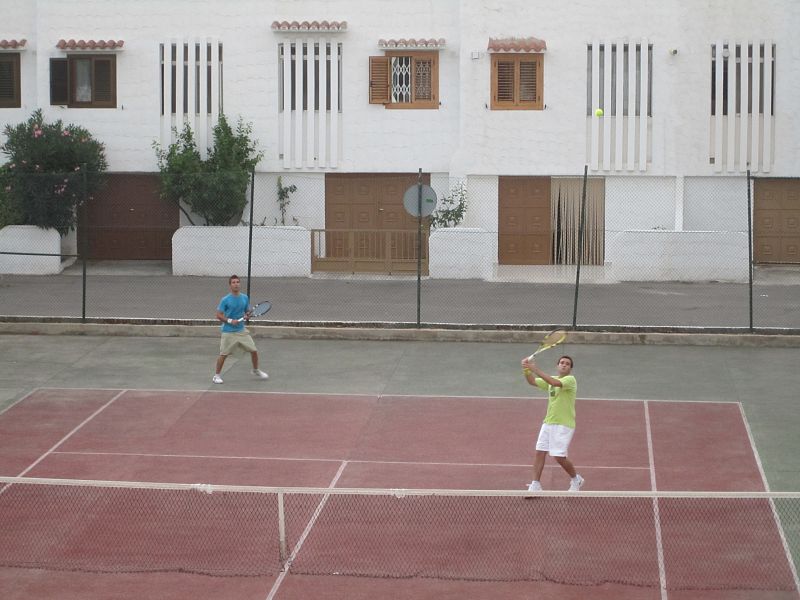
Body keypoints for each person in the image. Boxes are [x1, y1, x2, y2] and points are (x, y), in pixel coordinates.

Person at [521, 354, 584, 492]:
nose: (564, 364)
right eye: (561, 362)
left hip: (564, 424)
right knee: (540, 452)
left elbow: (554, 383)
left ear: (570, 368)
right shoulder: (552, 380)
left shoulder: (570, 380)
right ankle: (535, 485)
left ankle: (576, 479)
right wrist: (526, 369)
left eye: (567, 363)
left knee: (558, 456)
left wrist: (535, 368)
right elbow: (532, 381)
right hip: (548, 422)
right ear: (557, 366)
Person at [212, 275, 269, 384]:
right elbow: (218, 315)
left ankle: (255, 370)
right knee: (224, 354)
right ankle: (216, 376)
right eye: (233, 282)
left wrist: (247, 315)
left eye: (237, 282)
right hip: (228, 331)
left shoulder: (244, 297)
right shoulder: (225, 300)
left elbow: (247, 311)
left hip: (241, 330)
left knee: (254, 351)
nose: (236, 284)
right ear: (230, 285)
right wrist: (229, 321)